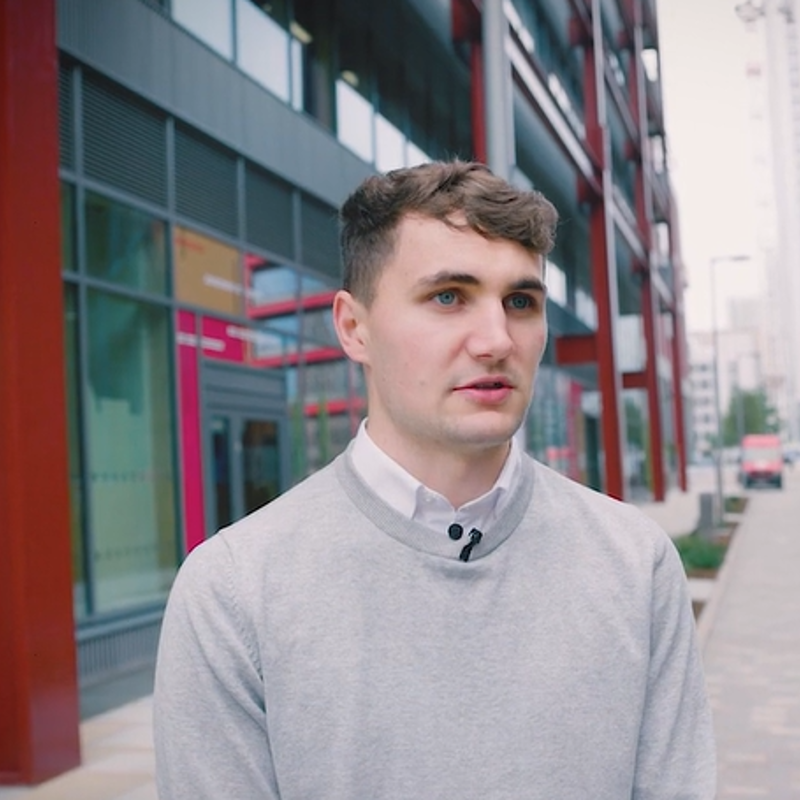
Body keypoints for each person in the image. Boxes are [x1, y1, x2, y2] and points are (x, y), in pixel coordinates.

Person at [153, 160, 716, 799]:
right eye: (448, 296)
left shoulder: (635, 563)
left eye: (520, 302)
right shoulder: (235, 590)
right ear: (353, 327)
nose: (496, 339)